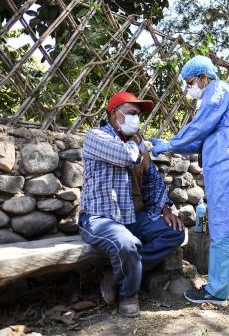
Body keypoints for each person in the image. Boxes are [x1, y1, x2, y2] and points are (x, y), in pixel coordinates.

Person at [151, 56, 229, 305]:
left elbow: (199, 127)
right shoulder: (220, 102)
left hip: (227, 162)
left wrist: (170, 142)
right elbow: (197, 139)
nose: (188, 88)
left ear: (205, 77)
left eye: (190, 81)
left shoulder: (218, 89)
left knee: (222, 224)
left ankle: (216, 291)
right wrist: (168, 147)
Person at [79, 91, 185, 317]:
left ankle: (115, 274)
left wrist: (165, 209)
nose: (136, 120)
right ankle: (129, 294)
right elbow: (126, 157)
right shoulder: (97, 136)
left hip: (133, 216)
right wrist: (138, 143)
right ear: (114, 114)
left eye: (138, 115)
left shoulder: (137, 145)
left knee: (174, 233)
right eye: (131, 113)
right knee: (128, 244)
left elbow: (152, 179)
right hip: (100, 217)